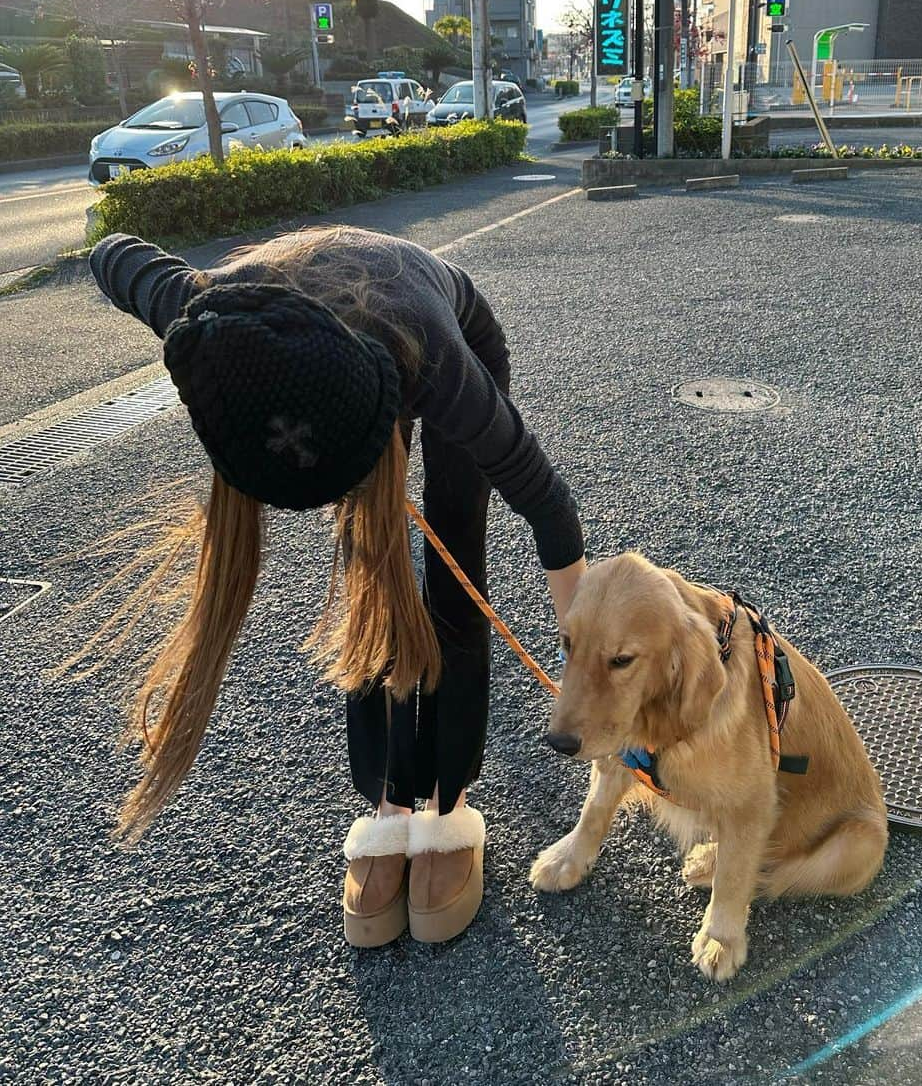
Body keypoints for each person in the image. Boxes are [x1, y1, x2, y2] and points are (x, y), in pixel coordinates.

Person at [85, 225, 586, 947]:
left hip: (440, 330)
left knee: (453, 562)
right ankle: (388, 804)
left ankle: (449, 801)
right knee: (366, 567)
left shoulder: (443, 367)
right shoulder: (207, 323)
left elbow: (548, 506)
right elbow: (112, 252)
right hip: (323, 356)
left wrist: (581, 664)